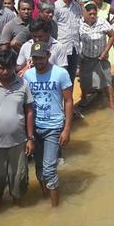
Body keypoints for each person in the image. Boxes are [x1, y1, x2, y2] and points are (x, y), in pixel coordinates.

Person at [0, 50, 34, 210]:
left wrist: (30, 139)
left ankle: (18, 210)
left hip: (19, 142)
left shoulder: (23, 84)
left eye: (9, 68)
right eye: (1, 68)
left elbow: (29, 110)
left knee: (19, 179)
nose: (5, 72)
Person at [23, 42, 74, 207]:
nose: (38, 61)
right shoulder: (28, 76)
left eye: (41, 58)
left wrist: (66, 129)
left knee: (49, 169)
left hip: (53, 127)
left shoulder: (61, 74)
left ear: (48, 55)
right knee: (39, 168)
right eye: (35, 58)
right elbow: (27, 105)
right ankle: (46, 196)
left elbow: (68, 101)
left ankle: (55, 210)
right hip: (35, 128)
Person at [79, 2, 114, 108]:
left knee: (107, 81)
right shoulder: (80, 24)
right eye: (90, 14)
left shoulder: (102, 22)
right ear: (85, 14)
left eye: (94, 14)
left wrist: (105, 52)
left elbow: (112, 36)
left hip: (101, 57)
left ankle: (111, 104)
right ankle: (84, 98)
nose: (92, 16)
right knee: (85, 81)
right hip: (86, 57)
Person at [54, 0, 83, 79]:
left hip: (74, 47)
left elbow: (87, 20)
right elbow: (52, 28)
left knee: (71, 76)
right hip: (61, 47)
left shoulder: (77, 6)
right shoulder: (56, 7)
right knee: (62, 77)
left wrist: (82, 4)